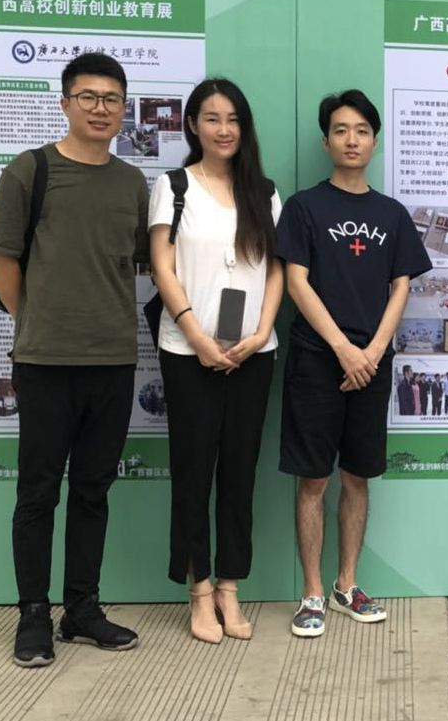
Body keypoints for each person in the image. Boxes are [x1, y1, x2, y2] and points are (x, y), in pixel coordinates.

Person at [0, 53, 146, 667]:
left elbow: (135, 260)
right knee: (37, 493)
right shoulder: (31, 170)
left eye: (111, 98)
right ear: (65, 103)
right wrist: (37, 318)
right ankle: (33, 614)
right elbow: (2, 255)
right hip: (46, 361)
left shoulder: (132, 183)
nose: (100, 108)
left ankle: (82, 609)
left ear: (123, 108)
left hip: (113, 360)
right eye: (88, 97)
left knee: (93, 491)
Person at [277, 89, 432, 638]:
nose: (351, 140)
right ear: (326, 141)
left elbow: (401, 286)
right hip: (317, 360)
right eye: (341, 130)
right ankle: (313, 593)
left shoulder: (392, 214)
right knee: (314, 479)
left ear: (374, 141)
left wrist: (371, 352)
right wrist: (344, 349)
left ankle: (347, 584)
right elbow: (296, 283)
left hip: (372, 362)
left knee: (358, 477)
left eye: (362, 131)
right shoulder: (303, 207)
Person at [149, 78, 283, 644]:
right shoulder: (174, 186)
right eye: (211, 118)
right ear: (193, 125)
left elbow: (276, 269)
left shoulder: (264, 192)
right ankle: (199, 590)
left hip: (253, 353)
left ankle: (230, 586)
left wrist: (261, 332)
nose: (223, 129)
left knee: (239, 473)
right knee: (193, 470)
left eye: (232, 119)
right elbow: (162, 266)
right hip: (188, 352)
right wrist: (197, 336)